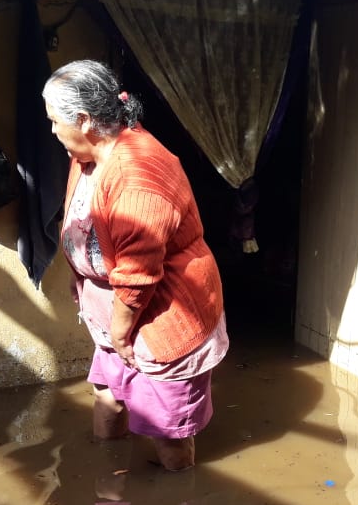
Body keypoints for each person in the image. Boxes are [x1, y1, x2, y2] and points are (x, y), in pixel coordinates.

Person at [42, 60, 228, 470]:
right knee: (107, 396)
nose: (53, 131)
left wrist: (123, 332)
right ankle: (105, 481)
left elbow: (138, 274)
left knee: (169, 432)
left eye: (56, 121)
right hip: (115, 318)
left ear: (85, 119)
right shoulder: (89, 153)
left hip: (158, 319)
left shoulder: (138, 176)